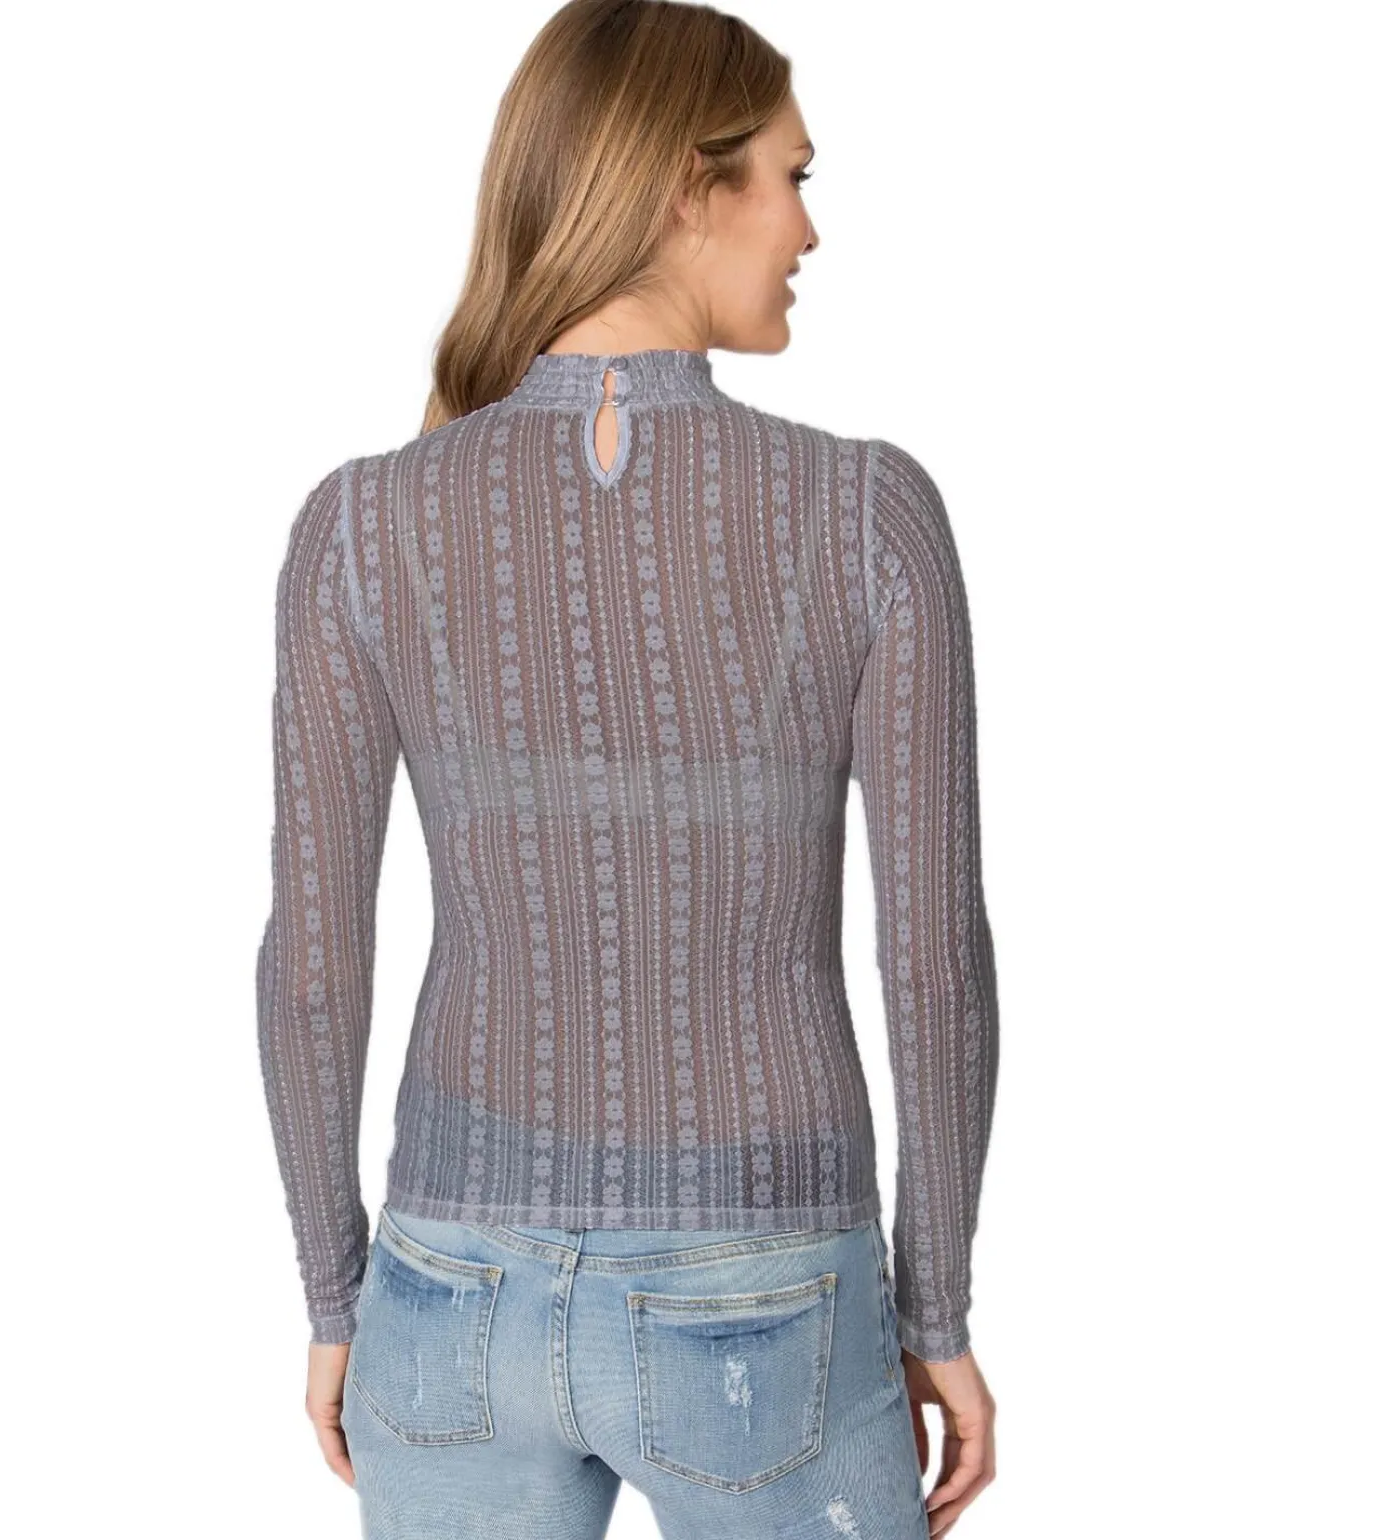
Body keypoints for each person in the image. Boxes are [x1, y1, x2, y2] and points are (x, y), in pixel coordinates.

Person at [255, 2, 1000, 1535]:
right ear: (683, 188)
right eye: (790, 176)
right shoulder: (864, 515)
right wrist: (936, 1308)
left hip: (445, 1295)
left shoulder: (360, 527)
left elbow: (312, 965)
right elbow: (934, 963)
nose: (809, 227)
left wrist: (337, 1296)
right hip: (771, 1290)